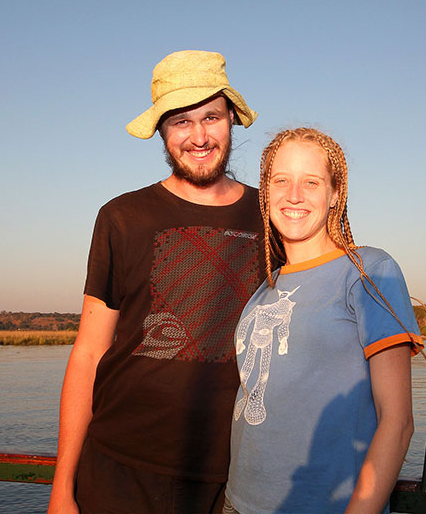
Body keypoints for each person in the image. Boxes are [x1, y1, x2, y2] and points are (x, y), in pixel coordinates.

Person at [48, 50, 267, 514]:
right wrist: (62, 486)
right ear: (162, 131)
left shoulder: (272, 218)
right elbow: (89, 352)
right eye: (181, 122)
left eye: (211, 117)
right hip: (119, 471)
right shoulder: (121, 218)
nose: (199, 136)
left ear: (232, 119)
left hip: (234, 479)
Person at [225, 128, 423, 513]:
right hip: (238, 502)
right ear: (265, 192)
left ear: (335, 194)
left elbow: (397, 423)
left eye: (311, 182)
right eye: (280, 180)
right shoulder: (265, 287)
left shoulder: (369, 272)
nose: (294, 194)